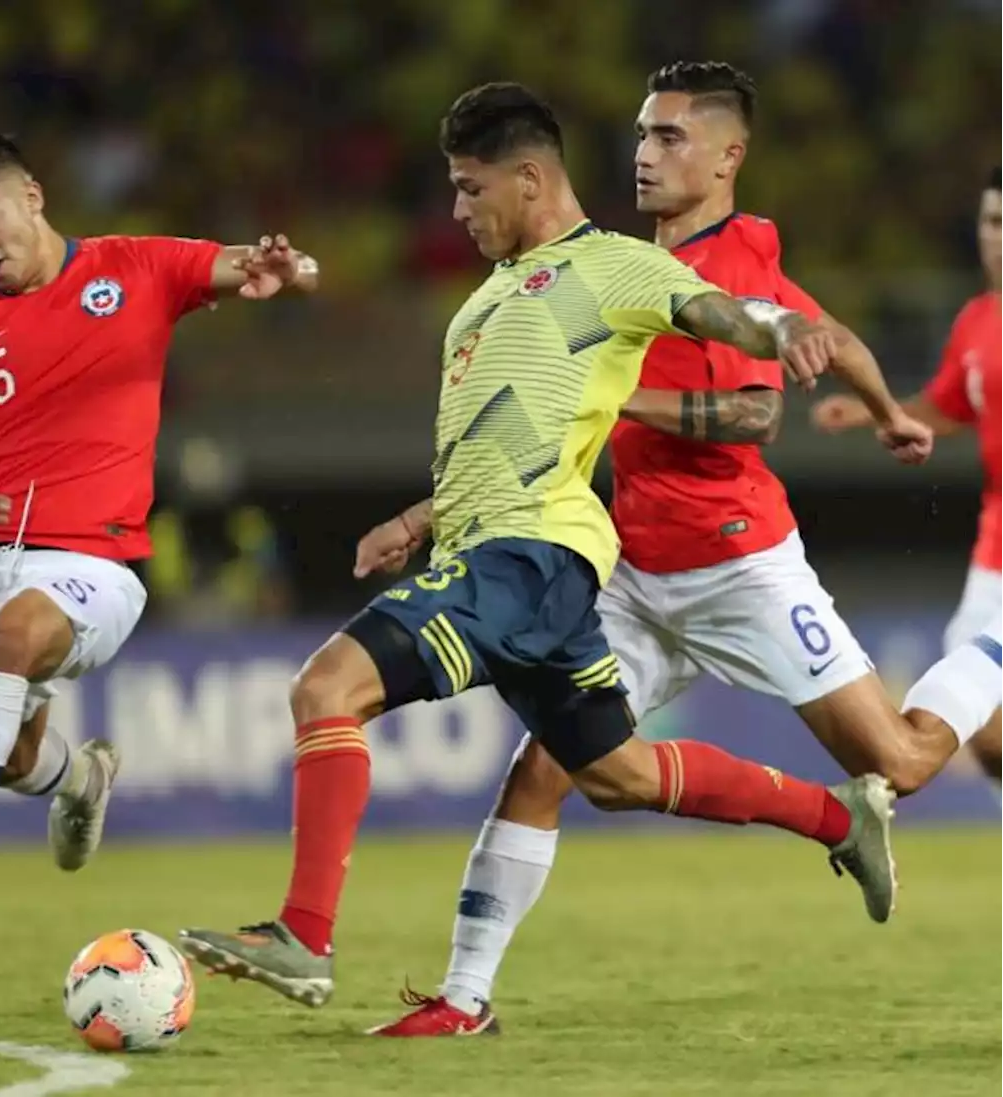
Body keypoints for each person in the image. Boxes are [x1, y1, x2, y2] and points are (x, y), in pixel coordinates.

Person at [177, 81, 900, 1013]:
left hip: (530, 559)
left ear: (528, 180)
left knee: (326, 688)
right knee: (616, 771)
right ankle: (839, 817)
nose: (456, 210)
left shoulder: (613, 266)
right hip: (505, 556)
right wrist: (419, 517)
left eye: (470, 189)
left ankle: (303, 937)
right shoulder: (488, 301)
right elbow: (508, 439)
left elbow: (724, 312)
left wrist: (787, 324)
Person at [366, 63, 1003, 1038]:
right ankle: (461, 998)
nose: (643, 152)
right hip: (629, 568)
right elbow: (822, 333)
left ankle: (991, 655)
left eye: (668, 137)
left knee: (904, 760)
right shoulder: (613, 265)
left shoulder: (730, 260)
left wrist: (611, 396)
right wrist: (885, 411)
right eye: (639, 133)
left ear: (726, 155)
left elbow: (752, 412)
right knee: (546, 768)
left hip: (741, 564)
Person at [0, 119, 319, 968]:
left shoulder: (136, 266)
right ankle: (76, 778)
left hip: (96, 560)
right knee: (14, 754)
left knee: (13, 639)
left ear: (32, 196)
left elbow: (249, 263)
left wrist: (289, 269)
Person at [813, 166, 1003, 783]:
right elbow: (951, 405)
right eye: (993, 221)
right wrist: (880, 410)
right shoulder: (977, 320)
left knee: (969, 684)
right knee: (988, 736)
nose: (1000, 236)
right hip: (994, 548)